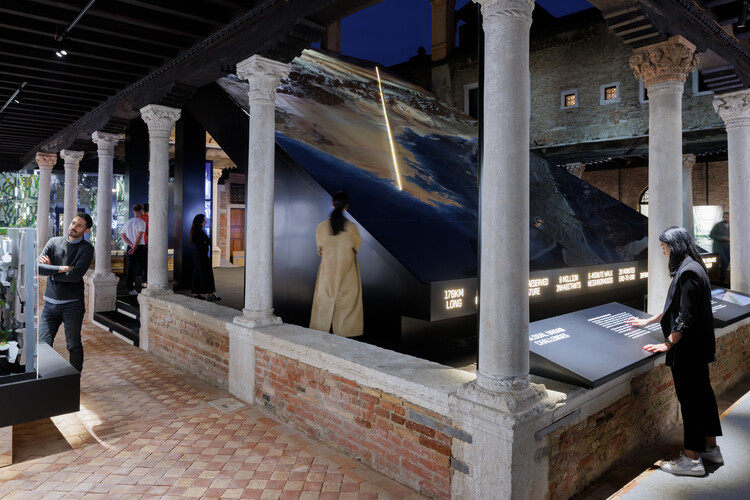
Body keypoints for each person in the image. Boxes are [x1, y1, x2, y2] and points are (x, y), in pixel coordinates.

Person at [626, 226, 722, 477]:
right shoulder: (693, 267)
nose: (664, 252)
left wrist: (667, 344)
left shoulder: (687, 272)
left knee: (690, 402)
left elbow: (685, 318)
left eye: (664, 247)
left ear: (675, 246)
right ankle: (710, 448)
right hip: (698, 349)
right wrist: (647, 321)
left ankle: (692, 459)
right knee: (704, 396)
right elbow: (676, 306)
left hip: (688, 351)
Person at [38, 212, 95, 372]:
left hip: (72, 305)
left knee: (73, 345)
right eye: (73, 223)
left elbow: (74, 277)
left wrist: (50, 270)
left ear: (86, 230)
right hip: (49, 304)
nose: (74, 227)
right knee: (43, 343)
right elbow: (38, 268)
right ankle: (43, 377)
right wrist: (61, 269)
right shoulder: (53, 242)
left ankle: (75, 380)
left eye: (79, 225)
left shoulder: (87, 249)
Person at [309, 191, 363, 337]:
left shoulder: (321, 227)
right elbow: (356, 247)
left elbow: (320, 250)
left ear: (332, 204)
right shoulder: (352, 228)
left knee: (323, 314)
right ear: (346, 206)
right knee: (347, 312)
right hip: (348, 275)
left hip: (327, 276)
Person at [189, 214, 220, 301]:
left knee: (197, 274)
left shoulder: (194, 231)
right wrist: (205, 242)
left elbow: (206, 242)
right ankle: (210, 294)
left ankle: (196, 293)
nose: (205, 222)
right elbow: (208, 241)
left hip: (197, 256)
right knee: (207, 274)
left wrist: (205, 242)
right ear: (200, 222)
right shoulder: (200, 232)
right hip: (202, 256)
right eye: (204, 220)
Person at [120, 204, 147, 295]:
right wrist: (135, 246)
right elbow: (139, 237)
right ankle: (147, 285)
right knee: (146, 267)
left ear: (133, 211)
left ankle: (131, 289)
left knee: (130, 268)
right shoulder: (141, 222)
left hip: (130, 247)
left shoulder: (128, 222)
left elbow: (123, 236)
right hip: (140, 247)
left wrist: (131, 245)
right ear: (141, 211)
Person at [709, 211, 729, 285]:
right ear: (723, 217)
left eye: (728, 217)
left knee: (726, 264)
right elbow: (711, 235)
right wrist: (723, 238)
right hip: (720, 248)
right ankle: (719, 281)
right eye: (725, 217)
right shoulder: (718, 225)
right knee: (721, 263)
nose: (726, 218)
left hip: (728, 248)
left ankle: (724, 280)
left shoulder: (732, 226)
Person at [140, 202, 149, 288]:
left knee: (144, 265)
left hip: (141, 244)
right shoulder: (147, 219)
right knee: (147, 265)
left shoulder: (141, 218)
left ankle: (144, 281)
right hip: (147, 245)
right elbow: (145, 233)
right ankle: (145, 281)